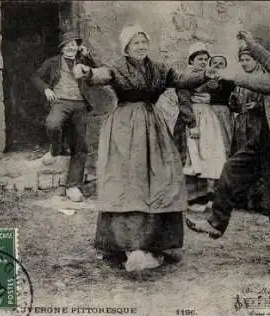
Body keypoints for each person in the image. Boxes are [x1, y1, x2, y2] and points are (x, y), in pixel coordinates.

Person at [186, 15, 270, 275]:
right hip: (267, 134)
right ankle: (217, 222)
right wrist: (251, 43)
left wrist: (234, 76)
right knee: (232, 170)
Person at [74, 25, 215, 271]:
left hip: (154, 126)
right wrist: (87, 73)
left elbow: (182, 79)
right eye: (135, 43)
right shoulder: (118, 67)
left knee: (159, 180)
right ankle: (128, 245)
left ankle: (155, 243)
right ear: (126, 47)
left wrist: (205, 75)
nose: (140, 46)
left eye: (143, 42)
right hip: (125, 128)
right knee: (130, 182)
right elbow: (102, 75)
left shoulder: (159, 68)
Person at [32, 31, 97, 202]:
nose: (71, 47)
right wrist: (46, 88)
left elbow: (96, 73)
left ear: (78, 47)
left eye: (74, 44)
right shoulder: (52, 62)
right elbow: (36, 77)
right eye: (67, 44)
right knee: (52, 124)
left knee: (80, 145)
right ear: (61, 48)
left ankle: (73, 186)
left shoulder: (82, 61)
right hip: (60, 102)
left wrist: (87, 55)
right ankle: (56, 149)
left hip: (80, 104)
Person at [175, 44, 235, 212]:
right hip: (192, 119)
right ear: (191, 60)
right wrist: (192, 124)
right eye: (199, 59)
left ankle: (204, 195)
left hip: (208, 118)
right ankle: (191, 197)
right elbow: (184, 102)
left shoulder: (210, 78)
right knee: (191, 157)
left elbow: (222, 93)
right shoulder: (185, 77)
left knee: (205, 157)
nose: (203, 62)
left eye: (205, 59)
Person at [228, 48, 267, 211]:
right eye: (242, 60)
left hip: (258, 124)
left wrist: (259, 106)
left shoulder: (264, 79)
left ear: (257, 60)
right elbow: (236, 103)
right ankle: (243, 199)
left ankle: (262, 201)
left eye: (248, 60)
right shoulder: (240, 79)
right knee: (241, 159)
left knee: (259, 159)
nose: (244, 63)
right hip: (242, 124)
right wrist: (234, 103)